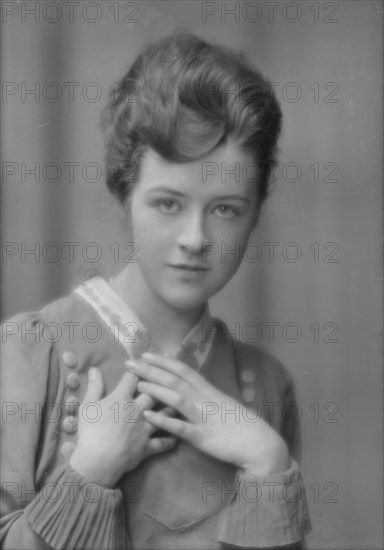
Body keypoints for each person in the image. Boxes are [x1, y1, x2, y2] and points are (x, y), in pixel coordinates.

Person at [0, 30, 311, 549]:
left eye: (226, 209)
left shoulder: (268, 386)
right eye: (168, 203)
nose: (195, 240)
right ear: (125, 194)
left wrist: (267, 460)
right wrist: (91, 472)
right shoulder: (31, 352)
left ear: (255, 215)